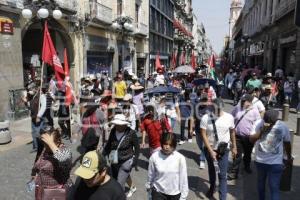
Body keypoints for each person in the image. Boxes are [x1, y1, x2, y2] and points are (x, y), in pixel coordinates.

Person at [250, 110, 292, 200]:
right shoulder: (259, 124)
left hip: (274, 163)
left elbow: (287, 143)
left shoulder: (282, 126)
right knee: (265, 185)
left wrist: (288, 157)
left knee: (273, 187)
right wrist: (261, 131)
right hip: (261, 161)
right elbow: (251, 140)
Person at [200, 99, 237, 199]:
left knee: (222, 175)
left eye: (219, 109)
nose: (217, 111)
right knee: (212, 171)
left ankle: (222, 197)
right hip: (210, 149)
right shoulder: (205, 118)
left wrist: (234, 146)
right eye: (215, 109)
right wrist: (211, 151)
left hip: (223, 150)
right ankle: (212, 188)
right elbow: (204, 135)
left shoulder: (229, 117)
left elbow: (232, 132)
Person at [31, 127, 72, 200]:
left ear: (58, 141)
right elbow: (38, 160)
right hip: (42, 189)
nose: (45, 146)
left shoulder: (64, 150)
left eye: (47, 144)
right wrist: (34, 173)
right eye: (44, 143)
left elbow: (65, 162)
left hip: (56, 193)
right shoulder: (45, 148)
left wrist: (51, 143)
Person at [146, 132, 189, 200]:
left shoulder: (180, 158)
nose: (167, 147)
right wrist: (149, 188)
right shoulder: (154, 157)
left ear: (174, 145)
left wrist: (183, 196)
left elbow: (183, 178)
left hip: (174, 194)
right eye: (165, 144)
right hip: (158, 192)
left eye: (170, 145)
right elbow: (150, 175)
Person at [102, 114, 140, 191]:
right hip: (114, 159)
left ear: (124, 125)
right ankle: (132, 187)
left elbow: (137, 147)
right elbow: (109, 144)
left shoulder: (131, 133)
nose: (116, 126)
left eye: (119, 125)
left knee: (119, 184)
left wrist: (135, 160)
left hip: (126, 160)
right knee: (116, 178)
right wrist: (103, 154)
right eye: (116, 124)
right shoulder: (113, 131)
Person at [227, 94, 261, 180]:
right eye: (242, 100)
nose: (242, 102)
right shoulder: (237, 108)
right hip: (237, 136)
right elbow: (231, 117)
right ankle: (234, 173)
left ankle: (247, 166)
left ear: (249, 102)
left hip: (248, 138)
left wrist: (255, 135)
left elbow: (258, 123)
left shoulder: (255, 111)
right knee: (237, 155)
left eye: (244, 101)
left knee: (247, 154)